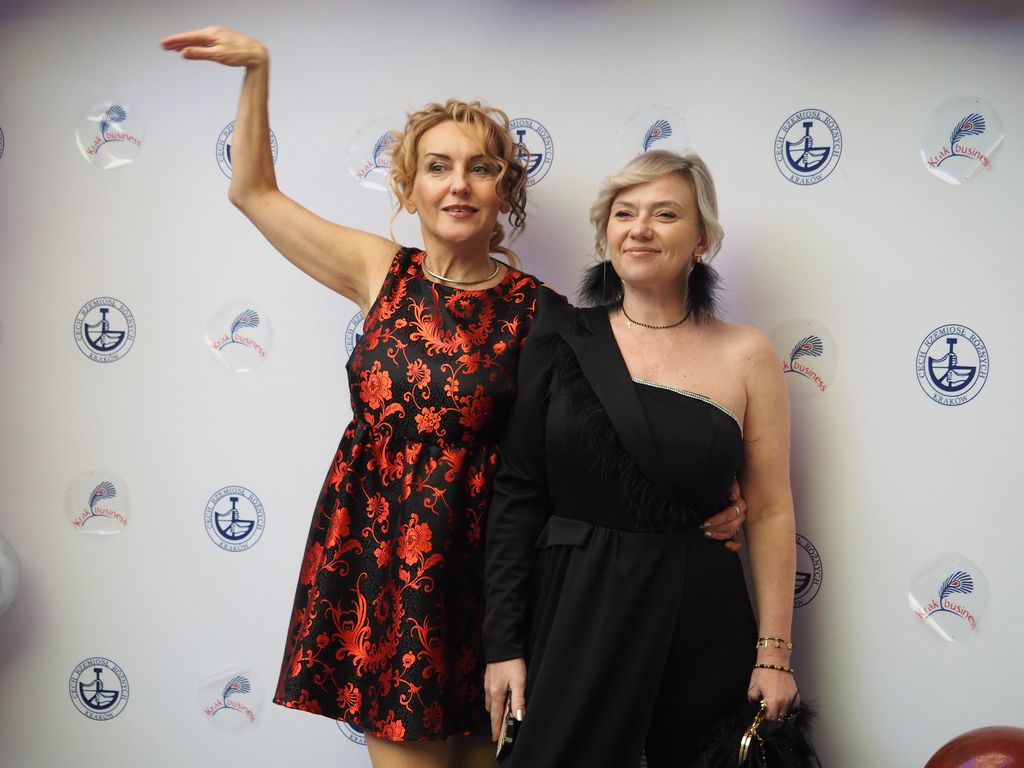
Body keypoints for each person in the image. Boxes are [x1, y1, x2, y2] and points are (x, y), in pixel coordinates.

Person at [162, 28, 749, 768]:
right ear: (409, 187)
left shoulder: (544, 313)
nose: (458, 185)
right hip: (383, 565)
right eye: (438, 167)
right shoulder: (378, 271)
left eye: (480, 168)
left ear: (505, 192)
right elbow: (252, 192)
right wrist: (256, 70)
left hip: (493, 580)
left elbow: (609, 433)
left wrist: (705, 499)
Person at [483, 150, 799, 767]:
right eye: (624, 213)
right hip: (577, 605)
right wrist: (504, 645)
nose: (641, 229)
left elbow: (768, 510)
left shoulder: (747, 353)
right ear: (606, 234)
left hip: (700, 609)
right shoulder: (559, 336)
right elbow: (519, 493)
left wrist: (774, 655)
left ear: (702, 238)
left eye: (666, 214)